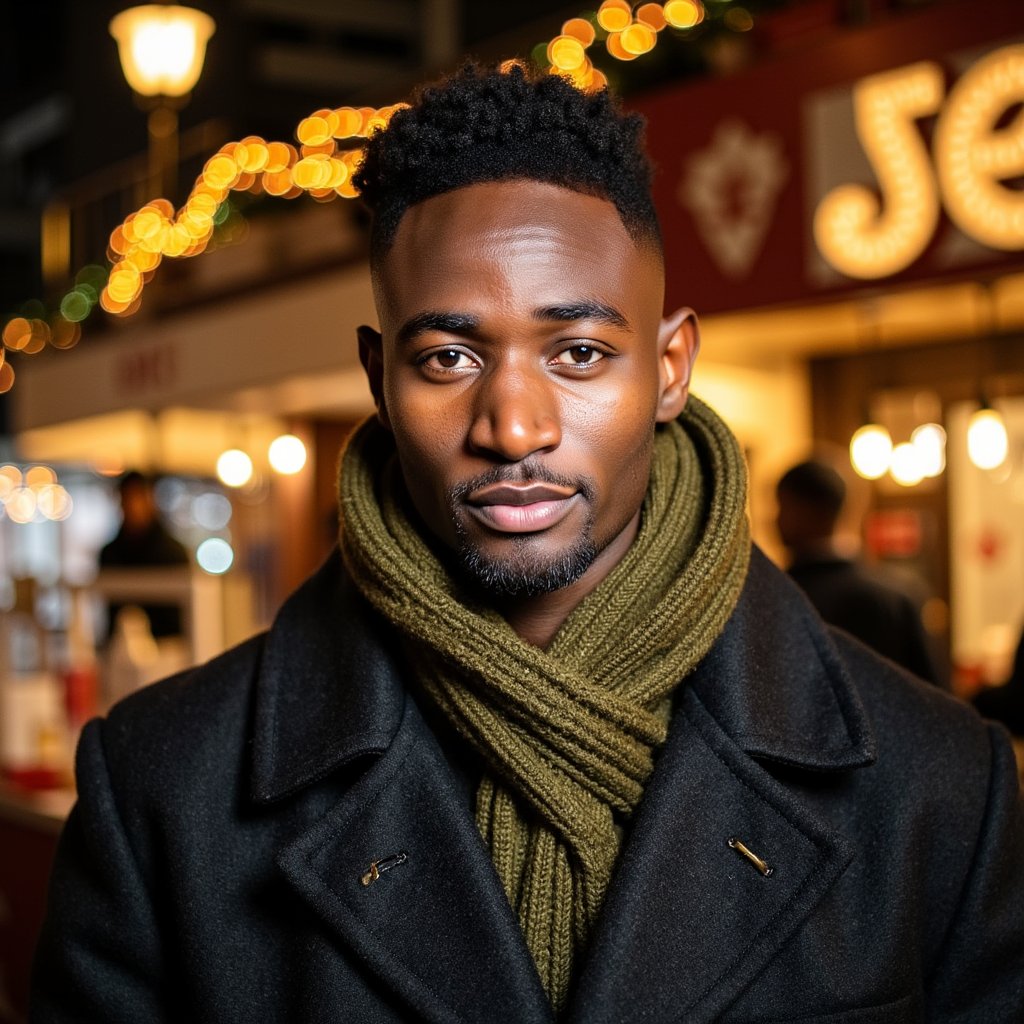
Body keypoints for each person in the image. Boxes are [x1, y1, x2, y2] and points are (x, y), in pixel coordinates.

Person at [32, 64, 1023, 1022]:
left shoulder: (938, 785)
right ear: (379, 377)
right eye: (448, 356)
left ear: (671, 367)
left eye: (578, 352)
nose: (514, 426)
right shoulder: (165, 790)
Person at [776, 458, 943, 685]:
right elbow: (933, 697)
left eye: (782, 506)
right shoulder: (901, 592)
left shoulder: (778, 596)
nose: (775, 519)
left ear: (807, 509)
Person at [99, 470, 189, 639]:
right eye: (128, 498)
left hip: (167, 648)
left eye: (137, 498)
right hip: (119, 650)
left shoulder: (172, 552)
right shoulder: (109, 553)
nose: (133, 505)